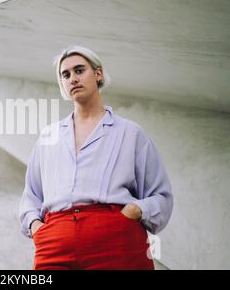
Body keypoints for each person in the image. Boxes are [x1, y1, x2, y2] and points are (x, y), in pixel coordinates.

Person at [18, 45, 174, 270]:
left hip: (115, 238)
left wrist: (133, 212)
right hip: (54, 241)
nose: (73, 78)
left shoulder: (130, 133)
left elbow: (160, 195)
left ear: (98, 73)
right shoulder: (48, 136)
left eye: (79, 70)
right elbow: (31, 195)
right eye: (66, 74)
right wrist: (35, 226)